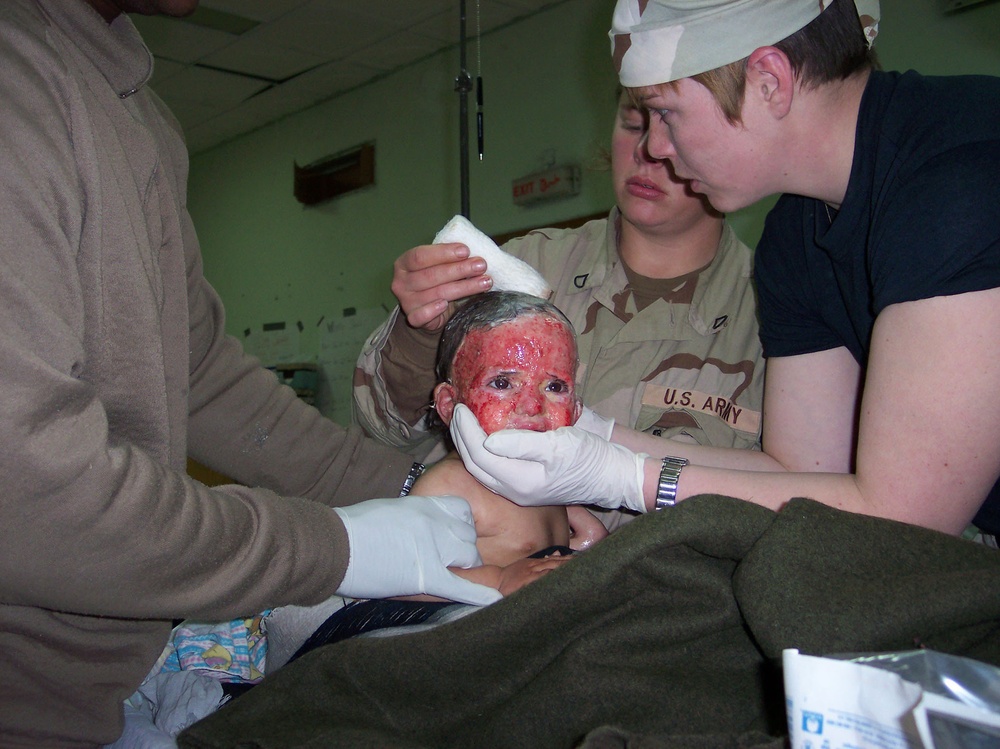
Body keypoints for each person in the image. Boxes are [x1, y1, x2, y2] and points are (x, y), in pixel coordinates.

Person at [0, 1, 498, 746]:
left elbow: (200, 373)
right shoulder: (19, 87)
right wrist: (342, 544)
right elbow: (33, 494)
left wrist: (416, 493)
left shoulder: (139, 114)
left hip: (103, 695)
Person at [449, 0, 1000, 540]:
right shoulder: (797, 235)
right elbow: (803, 474)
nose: (656, 147)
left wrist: (620, 479)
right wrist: (603, 439)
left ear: (768, 80)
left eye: (666, 113)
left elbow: (903, 520)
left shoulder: (960, 177)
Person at [353, 88, 764, 530]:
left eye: (676, 125)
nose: (648, 151)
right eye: (633, 124)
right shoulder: (519, 269)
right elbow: (384, 430)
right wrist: (421, 330)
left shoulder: (772, 317)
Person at [407, 290, 608, 596]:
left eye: (554, 386)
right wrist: (498, 580)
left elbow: (591, 534)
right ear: (449, 405)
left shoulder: (548, 480)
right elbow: (406, 576)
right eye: (502, 383)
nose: (531, 405)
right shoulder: (448, 486)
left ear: (577, 410)